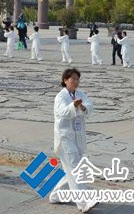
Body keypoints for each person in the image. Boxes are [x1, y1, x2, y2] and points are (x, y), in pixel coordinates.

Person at [49, 68, 97, 212]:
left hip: (78, 136)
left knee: (71, 170)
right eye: (73, 79)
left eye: (77, 79)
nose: (75, 82)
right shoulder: (60, 97)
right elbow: (61, 112)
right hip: (64, 138)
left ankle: (56, 195)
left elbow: (89, 105)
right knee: (75, 168)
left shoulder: (80, 93)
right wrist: (73, 106)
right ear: (65, 80)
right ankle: (83, 203)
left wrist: (82, 106)